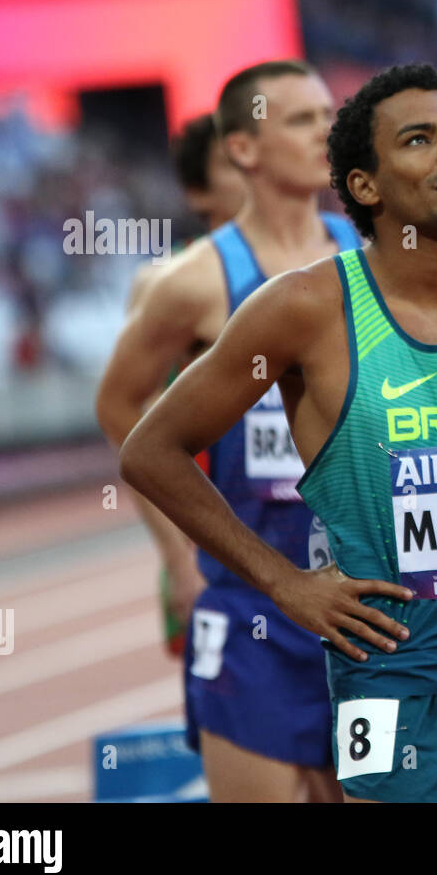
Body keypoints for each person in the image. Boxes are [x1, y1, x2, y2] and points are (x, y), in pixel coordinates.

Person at [119, 63, 437, 803]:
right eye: (420, 140)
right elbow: (149, 451)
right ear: (365, 186)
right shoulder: (302, 308)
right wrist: (284, 582)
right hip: (396, 676)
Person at [96, 59, 362, 802]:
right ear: (242, 149)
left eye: (329, 115)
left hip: (365, 593)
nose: (327, 132)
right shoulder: (192, 283)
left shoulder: (371, 257)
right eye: (303, 119)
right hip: (253, 600)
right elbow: (121, 408)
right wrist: (177, 548)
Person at [121, 113, 249, 657]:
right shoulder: (169, 283)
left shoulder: (329, 264)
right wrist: (177, 557)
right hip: (213, 536)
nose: (251, 170)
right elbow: (131, 422)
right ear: (198, 191)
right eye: (230, 163)